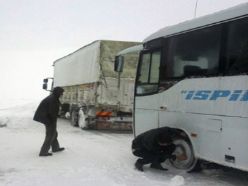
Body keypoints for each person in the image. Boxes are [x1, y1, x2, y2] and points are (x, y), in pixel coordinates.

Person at [33, 87, 65, 156]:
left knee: (54, 133)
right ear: (58, 92)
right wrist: (54, 120)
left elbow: (53, 110)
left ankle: (55, 148)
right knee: (50, 135)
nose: (62, 94)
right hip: (47, 118)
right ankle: (43, 152)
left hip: (47, 117)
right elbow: (52, 112)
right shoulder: (52, 99)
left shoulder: (53, 97)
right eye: (61, 92)